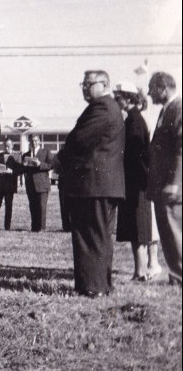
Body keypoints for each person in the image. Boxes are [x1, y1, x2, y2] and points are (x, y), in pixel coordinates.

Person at [56, 70, 125, 297]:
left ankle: (91, 287)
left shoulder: (102, 107)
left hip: (93, 184)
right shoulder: (108, 107)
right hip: (101, 184)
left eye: (89, 84)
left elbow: (78, 139)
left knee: (90, 236)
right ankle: (100, 285)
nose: (85, 88)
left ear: (104, 84)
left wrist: (62, 157)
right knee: (99, 236)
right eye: (83, 84)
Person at [114, 81, 161, 281]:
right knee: (136, 227)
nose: (116, 101)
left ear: (128, 98)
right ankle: (139, 270)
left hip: (136, 184)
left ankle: (140, 271)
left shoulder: (133, 122)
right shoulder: (134, 120)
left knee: (138, 228)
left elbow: (136, 157)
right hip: (136, 183)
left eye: (118, 98)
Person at [146, 71, 182, 286]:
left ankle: (179, 276)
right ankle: (176, 275)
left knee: (174, 229)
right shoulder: (166, 111)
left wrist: (175, 182)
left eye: (152, 89)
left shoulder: (178, 109)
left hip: (171, 186)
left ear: (164, 88)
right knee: (167, 231)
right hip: (162, 185)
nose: (149, 94)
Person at [20, 135, 54, 232]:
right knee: (33, 206)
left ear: (39, 141)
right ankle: (34, 227)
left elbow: (51, 165)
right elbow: (23, 170)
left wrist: (40, 165)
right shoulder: (25, 155)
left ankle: (42, 228)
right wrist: (23, 166)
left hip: (42, 184)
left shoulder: (46, 152)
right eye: (31, 141)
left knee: (42, 207)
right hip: (30, 184)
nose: (33, 143)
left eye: (35, 141)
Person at [0, 139, 20, 230]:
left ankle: (7, 226)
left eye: (8, 146)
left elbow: (20, 169)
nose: (7, 148)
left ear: (12, 145)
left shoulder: (17, 156)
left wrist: (12, 171)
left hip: (10, 184)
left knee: (9, 205)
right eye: (5, 146)